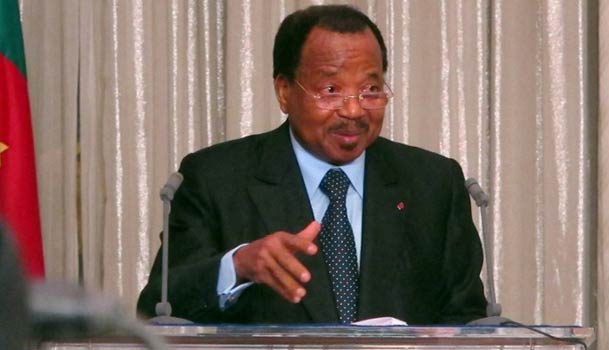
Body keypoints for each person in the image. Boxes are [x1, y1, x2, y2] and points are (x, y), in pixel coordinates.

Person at [137, 4, 487, 324]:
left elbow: (468, 318)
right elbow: (158, 307)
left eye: (370, 89)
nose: (353, 110)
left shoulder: (432, 183)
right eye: (331, 89)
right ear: (284, 91)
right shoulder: (216, 178)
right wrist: (239, 265)